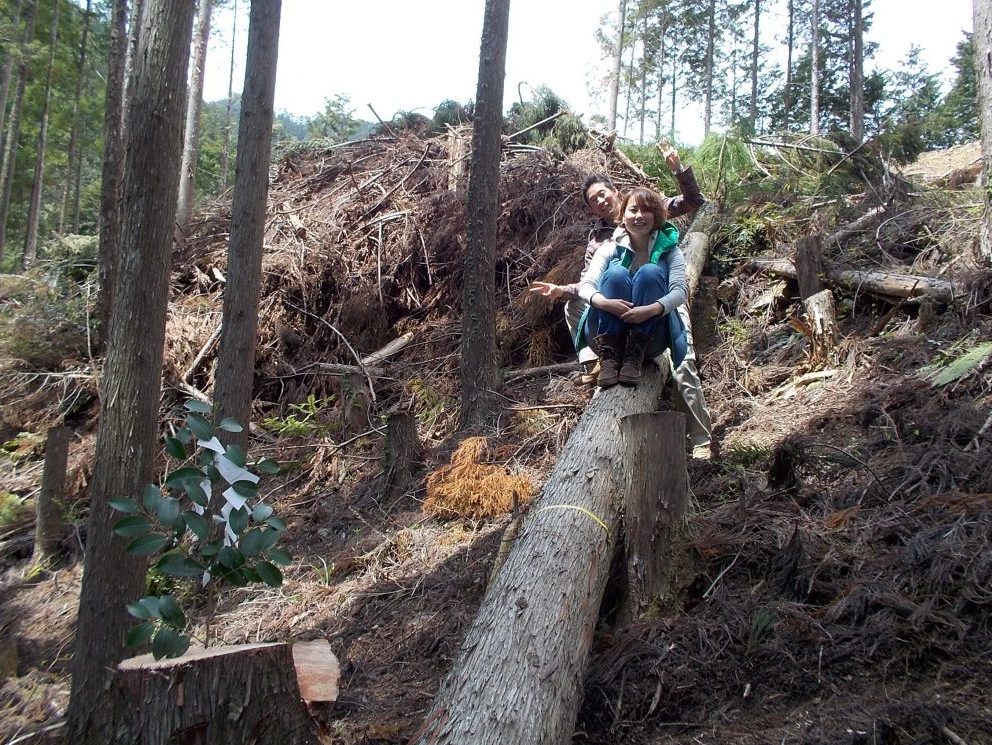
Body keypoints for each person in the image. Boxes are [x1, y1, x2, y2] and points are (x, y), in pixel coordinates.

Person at [530, 145, 713, 456]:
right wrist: (564, 290)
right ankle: (598, 359)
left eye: (603, 194)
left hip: (659, 299)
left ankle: (700, 440)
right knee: (574, 304)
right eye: (593, 200)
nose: (600, 201)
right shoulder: (601, 240)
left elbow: (694, 201)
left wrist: (678, 168)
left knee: (684, 365)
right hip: (619, 307)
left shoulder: (645, 207)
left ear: (614, 191)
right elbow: (590, 281)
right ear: (593, 208)